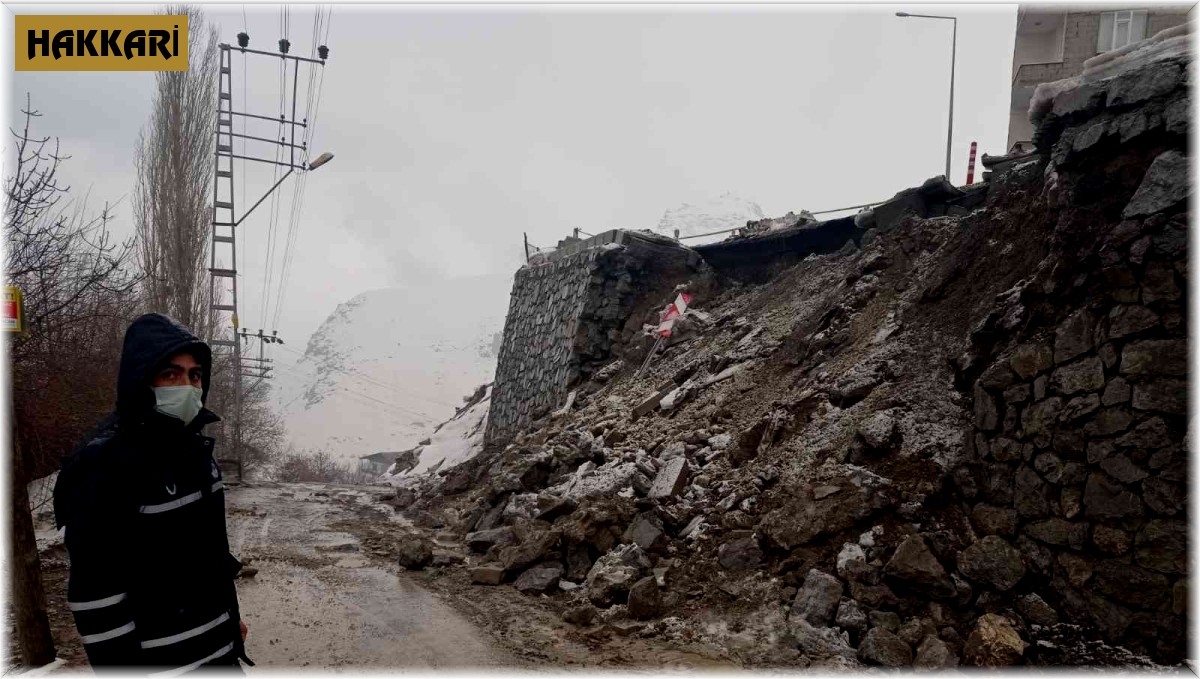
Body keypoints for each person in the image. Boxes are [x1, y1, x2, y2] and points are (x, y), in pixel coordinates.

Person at [53, 313, 253, 673]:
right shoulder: (106, 464)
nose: (188, 386)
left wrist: (229, 620)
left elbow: (211, 556)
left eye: (195, 375)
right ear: (142, 379)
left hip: (219, 657)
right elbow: (95, 595)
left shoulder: (196, 453)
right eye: (171, 374)